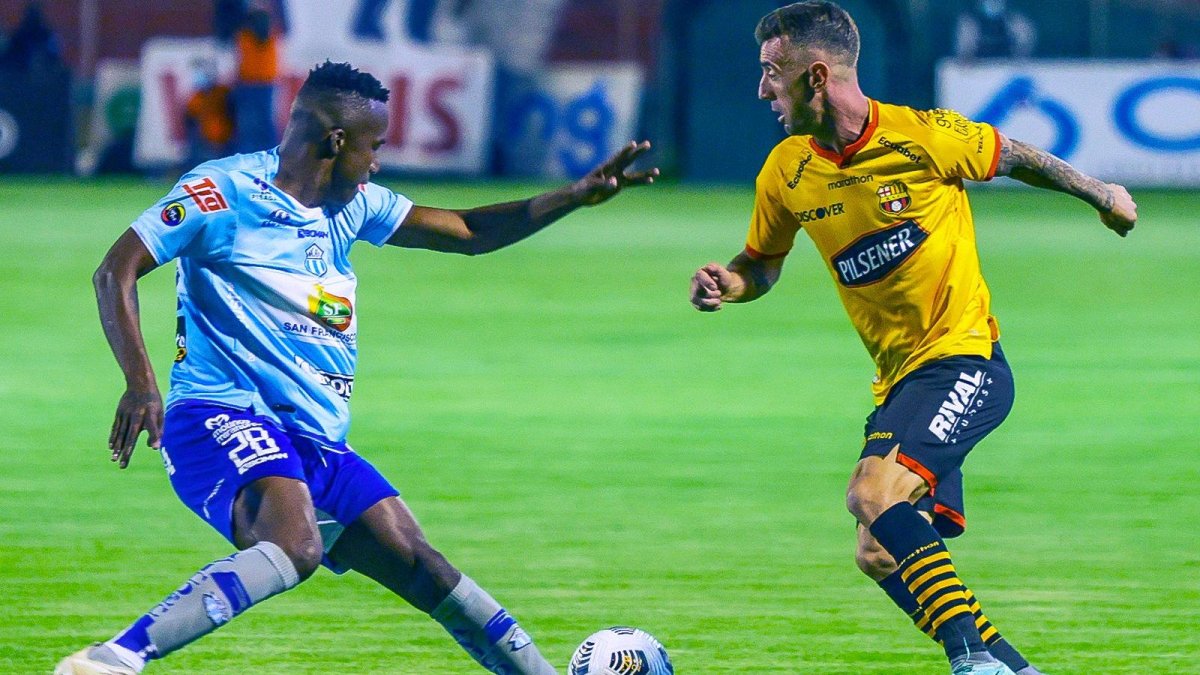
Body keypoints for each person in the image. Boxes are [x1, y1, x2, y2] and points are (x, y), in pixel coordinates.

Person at [57, 60, 657, 675]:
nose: (377, 162)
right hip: (220, 415)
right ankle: (113, 660)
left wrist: (574, 197)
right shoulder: (221, 192)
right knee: (295, 545)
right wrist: (140, 382)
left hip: (312, 438)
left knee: (424, 566)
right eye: (373, 146)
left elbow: (468, 230)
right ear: (336, 141)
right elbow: (116, 269)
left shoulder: (354, 206)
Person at [688, 3, 1135, 674]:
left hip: (966, 361)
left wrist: (1102, 193)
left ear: (815, 76)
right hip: (901, 382)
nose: (761, 91)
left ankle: (970, 662)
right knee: (877, 547)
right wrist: (730, 282)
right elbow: (763, 263)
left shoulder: (921, 136)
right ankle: (1012, 666)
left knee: (871, 493)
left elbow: (1016, 155)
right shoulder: (786, 171)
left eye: (770, 73)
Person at [232, 5, 280, 152]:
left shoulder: (244, 37)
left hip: (251, 84)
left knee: (250, 125)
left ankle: (249, 158)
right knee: (263, 124)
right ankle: (269, 156)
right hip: (264, 84)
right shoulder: (271, 37)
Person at [954, 0, 1037, 60]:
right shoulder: (969, 23)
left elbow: (1024, 51)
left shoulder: (1017, 22)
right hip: (978, 73)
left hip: (1007, 71)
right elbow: (964, 53)